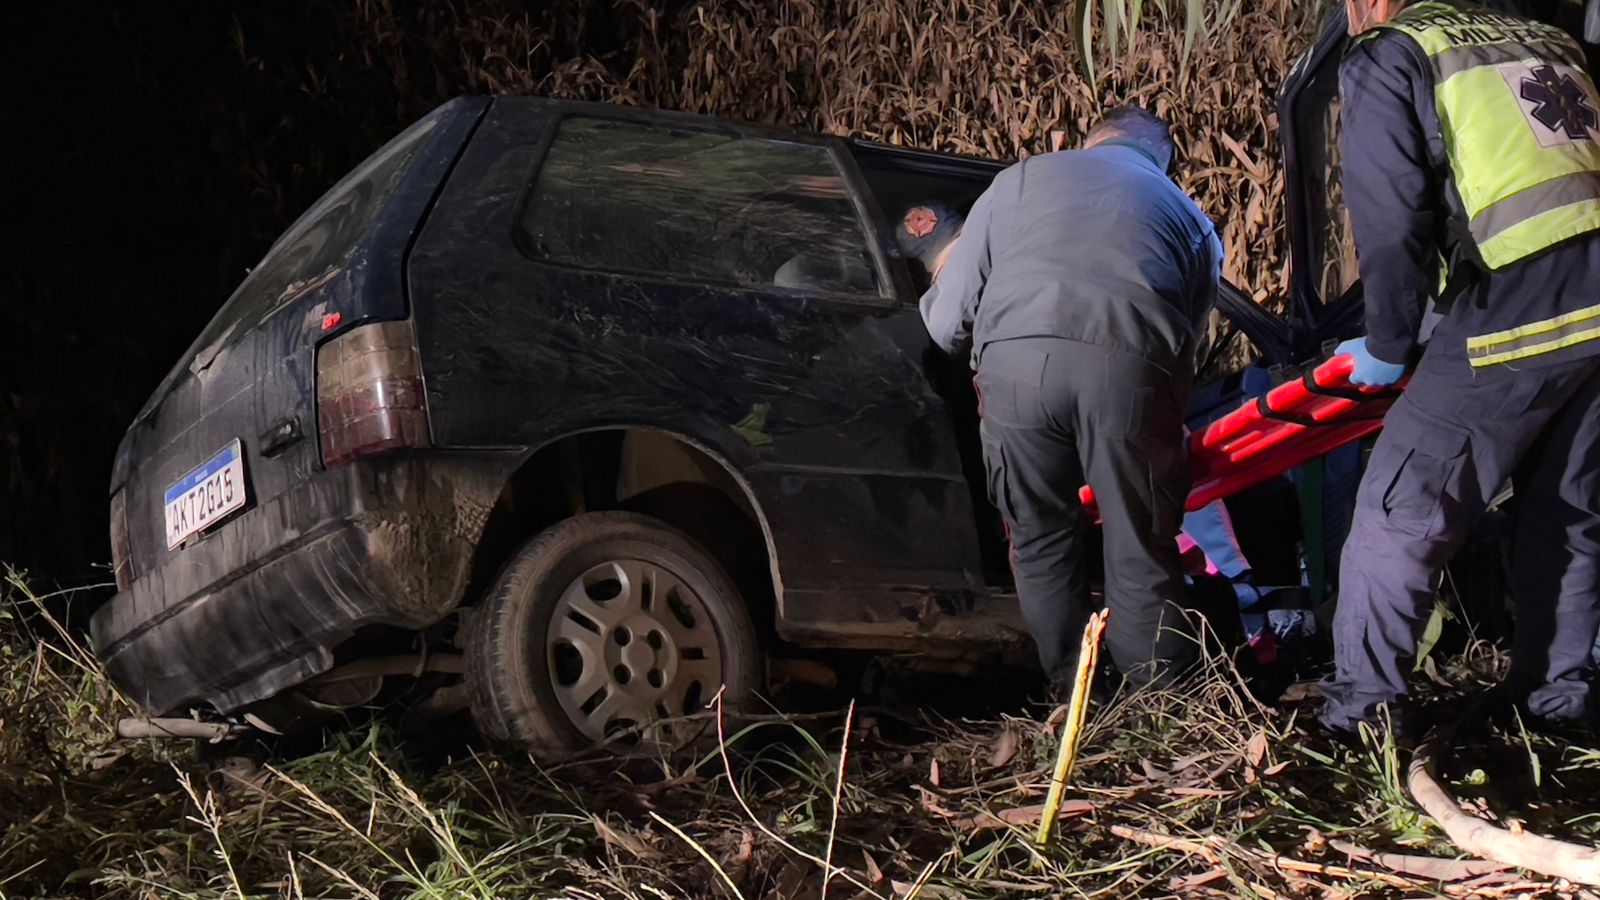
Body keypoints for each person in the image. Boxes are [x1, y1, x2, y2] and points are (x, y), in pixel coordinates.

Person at [1320, 0, 1600, 735]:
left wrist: (1388, 342)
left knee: (1397, 511)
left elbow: (1390, 219)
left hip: (1517, 304)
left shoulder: (1392, 51)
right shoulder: (1547, 36)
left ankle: (1363, 716)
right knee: (1566, 511)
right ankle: (1555, 702)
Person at [919, 106, 1224, 690]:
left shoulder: (1021, 179)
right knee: (1138, 542)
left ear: (1093, 141)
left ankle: (1073, 693)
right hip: (1133, 367)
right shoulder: (1190, 218)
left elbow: (947, 323)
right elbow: (1188, 347)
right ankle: (1160, 706)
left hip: (1016, 366)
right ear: (1162, 160)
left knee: (1038, 536)